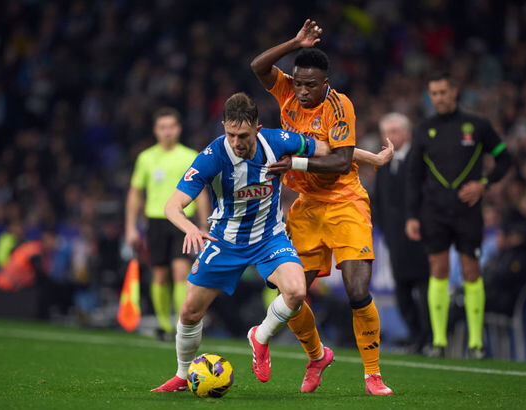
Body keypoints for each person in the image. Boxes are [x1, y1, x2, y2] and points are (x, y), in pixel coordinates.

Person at [150, 92, 333, 393]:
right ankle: (183, 375)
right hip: (224, 240)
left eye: (243, 135)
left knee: (297, 291)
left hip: (270, 237)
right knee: (190, 312)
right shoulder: (212, 156)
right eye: (231, 134)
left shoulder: (277, 141)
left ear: (257, 129)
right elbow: (172, 206)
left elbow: (328, 148)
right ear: (224, 126)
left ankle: (259, 336)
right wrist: (190, 229)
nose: (236, 142)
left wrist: (301, 161)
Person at [251, 19, 393, 394]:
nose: (301, 91)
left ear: (325, 82)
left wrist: (294, 164)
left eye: (310, 85)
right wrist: (295, 43)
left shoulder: (339, 105)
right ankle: (317, 357)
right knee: (290, 293)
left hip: (345, 203)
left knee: (357, 290)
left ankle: (373, 374)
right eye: (298, 83)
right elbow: (258, 66)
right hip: (307, 207)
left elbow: (341, 161)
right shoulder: (287, 91)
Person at [405, 71, 512, 358]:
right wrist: (412, 215)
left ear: (454, 92)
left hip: (468, 212)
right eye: (434, 94)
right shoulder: (424, 129)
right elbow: (413, 175)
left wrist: (484, 184)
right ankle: (439, 342)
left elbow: (504, 158)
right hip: (434, 212)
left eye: (443, 92)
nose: (439, 98)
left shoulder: (477, 125)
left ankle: (476, 344)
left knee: (471, 271)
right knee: (438, 270)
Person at [125, 107, 210, 339]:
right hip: (155, 221)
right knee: (160, 275)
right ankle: (165, 326)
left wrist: (204, 225)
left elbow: (201, 193)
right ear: (155, 130)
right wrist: (130, 227)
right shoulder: (146, 158)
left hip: (183, 222)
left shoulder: (190, 156)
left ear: (179, 129)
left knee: (181, 272)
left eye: (171, 126)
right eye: (163, 127)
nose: (167, 131)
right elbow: (135, 193)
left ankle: (182, 325)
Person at [372, 113, 431, 354]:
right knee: (402, 290)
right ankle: (416, 336)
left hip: (421, 238)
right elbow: (378, 201)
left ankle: (430, 338)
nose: (390, 136)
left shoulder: (420, 160)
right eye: (386, 132)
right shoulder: (382, 165)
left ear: (407, 133)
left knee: (425, 288)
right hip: (395, 240)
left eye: (395, 131)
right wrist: (386, 230)